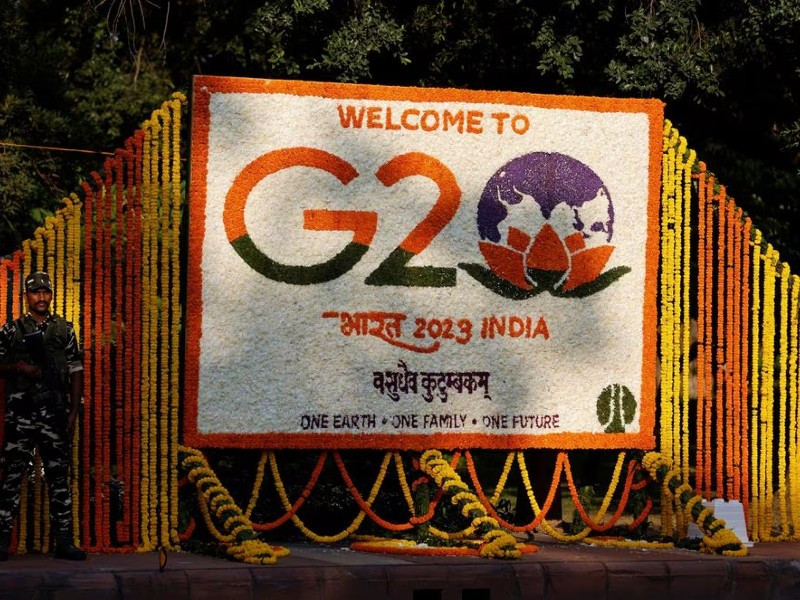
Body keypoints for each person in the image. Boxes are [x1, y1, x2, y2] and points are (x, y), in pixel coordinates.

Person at [0, 271, 86, 560]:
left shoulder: (64, 330)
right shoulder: (11, 330)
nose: (41, 297)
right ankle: (1, 540)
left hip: (54, 414)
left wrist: (73, 410)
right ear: (27, 296)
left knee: (59, 477)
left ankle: (64, 542)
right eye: (35, 292)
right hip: (21, 415)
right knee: (12, 475)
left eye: (45, 292)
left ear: (51, 295)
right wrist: (19, 368)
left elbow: (76, 369)